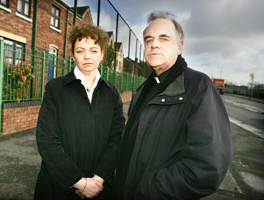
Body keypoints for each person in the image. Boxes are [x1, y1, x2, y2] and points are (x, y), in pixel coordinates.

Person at [116, 11, 233, 200]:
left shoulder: (198, 87)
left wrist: (148, 188)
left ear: (179, 47)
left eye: (164, 38)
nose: (154, 44)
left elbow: (206, 169)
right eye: (148, 40)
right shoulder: (143, 89)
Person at [34, 24, 125, 200]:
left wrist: (98, 179)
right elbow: (46, 139)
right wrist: (79, 182)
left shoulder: (112, 93)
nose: (87, 57)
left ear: (102, 54)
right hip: (58, 188)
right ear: (73, 54)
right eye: (80, 50)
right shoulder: (55, 88)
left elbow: (117, 138)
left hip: (101, 187)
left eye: (93, 50)